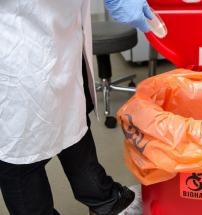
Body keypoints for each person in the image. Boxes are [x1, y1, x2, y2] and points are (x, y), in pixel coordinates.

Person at [0, 0, 152, 214]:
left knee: (75, 124)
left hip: (62, 36)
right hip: (16, 48)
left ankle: (107, 201)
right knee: (20, 158)